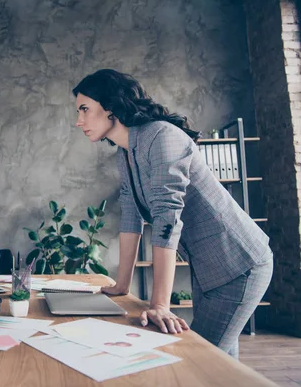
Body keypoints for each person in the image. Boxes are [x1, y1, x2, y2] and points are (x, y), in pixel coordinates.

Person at [72, 69, 273, 359]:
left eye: (84, 109)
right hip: (208, 271)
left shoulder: (162, 136)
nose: (79, 121)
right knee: (223, 366)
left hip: (239, 265)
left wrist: (160, 305)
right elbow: (130, 215)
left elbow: (168, 217)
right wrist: (121, 285)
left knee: (202, 361)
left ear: (111, 106)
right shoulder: (125, 151)